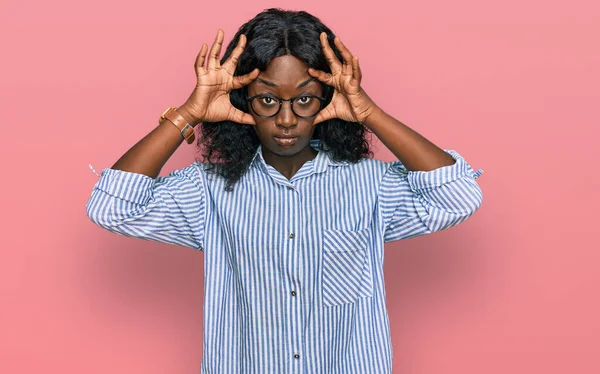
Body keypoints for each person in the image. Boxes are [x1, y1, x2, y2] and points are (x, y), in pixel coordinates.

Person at [86, 8, 484, 374]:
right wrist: (189, 112)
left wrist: (370, 113)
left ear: (328, 98)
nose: (287, 119)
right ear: (244, 99)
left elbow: (458, 196)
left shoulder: (371, 184)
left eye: (305, 99)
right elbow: (111, 207)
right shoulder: (208, 190)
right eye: (268, 99)